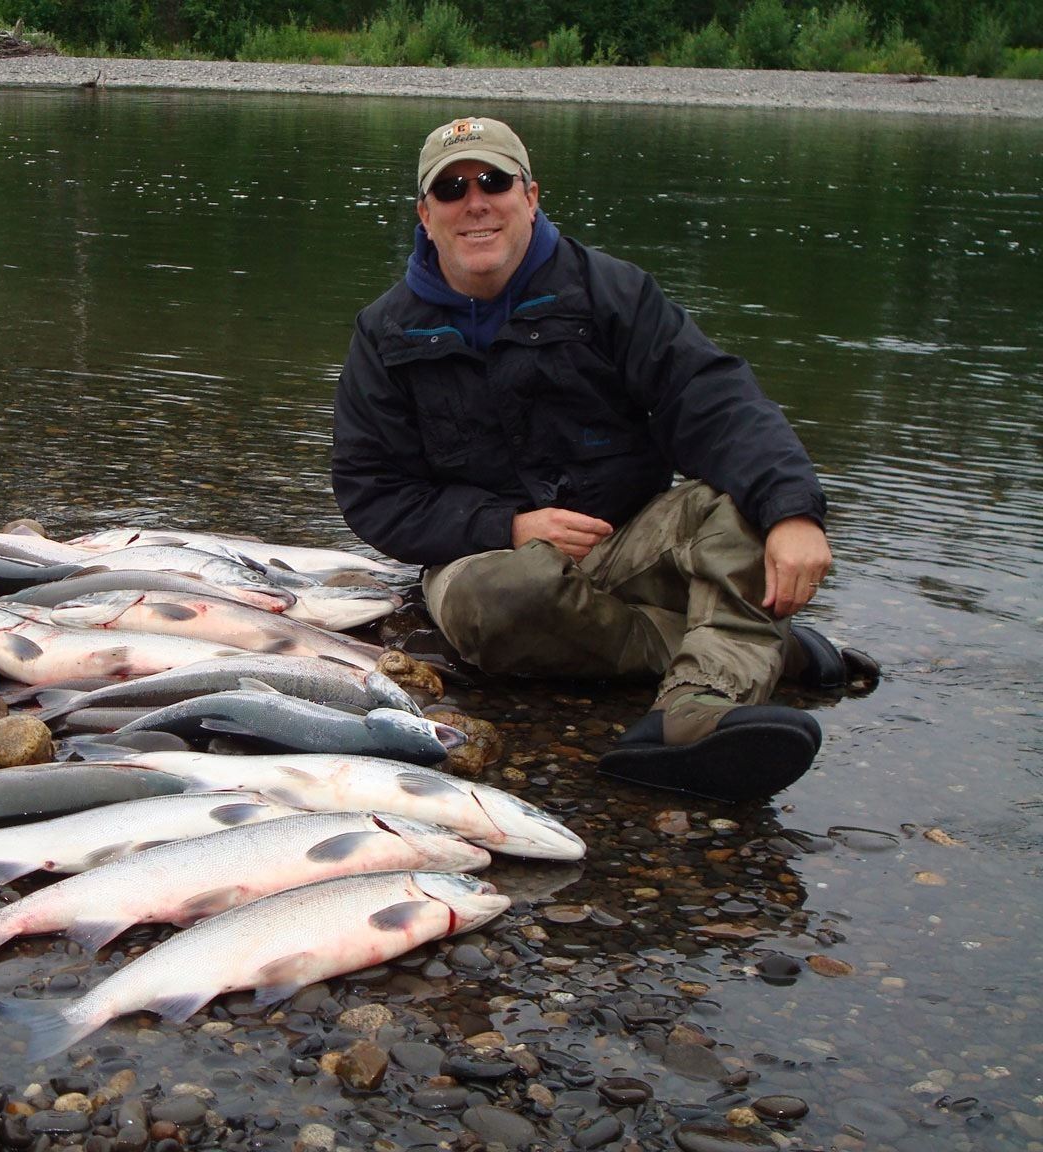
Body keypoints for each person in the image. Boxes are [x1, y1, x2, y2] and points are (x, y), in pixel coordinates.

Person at [331, 116, 875, 803]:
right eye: (451, 189)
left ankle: (696, 708)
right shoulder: (385, 333)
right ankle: (766, 648)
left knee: (743, 510)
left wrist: (794, 510)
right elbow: (372, 491)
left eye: (494, 182)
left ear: (531, 197)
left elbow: (712, 399)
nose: (476, 202)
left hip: (630, 538)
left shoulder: (612, 292)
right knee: (492, 601)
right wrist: (511, 525)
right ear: (425, 215)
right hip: (488, 561)